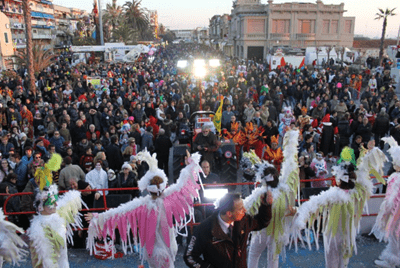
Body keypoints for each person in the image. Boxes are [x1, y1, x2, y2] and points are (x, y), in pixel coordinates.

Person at [86, 150, 202, 268]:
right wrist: (190, 165)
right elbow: (182, 183)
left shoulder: (143, 204)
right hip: (165, 245)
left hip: (158, 247)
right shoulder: (166, 197)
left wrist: (99, 217)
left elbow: (119, 212)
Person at [292, 145, 386, 268]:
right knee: (343, 262)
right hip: (347, 234)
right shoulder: (356, 193)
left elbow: (313, 204)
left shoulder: (333, 195)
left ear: (339, 179)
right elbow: (364, 182)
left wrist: (300, 216)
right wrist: (364, 164)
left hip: (333, 235)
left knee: (332, 262)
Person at [184, 190, 272, 268]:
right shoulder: (205, 229)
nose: (245, 210)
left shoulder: (243, 221)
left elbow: (261, 222)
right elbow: (189, 256)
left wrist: (266, 205)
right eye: (241, 209)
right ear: (229, 213)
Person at [372, 137, 400, 268]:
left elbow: (391, 199)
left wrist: (385, 214)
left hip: (396, 214)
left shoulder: (395, 178)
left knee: (394, 234)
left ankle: (392, 261)